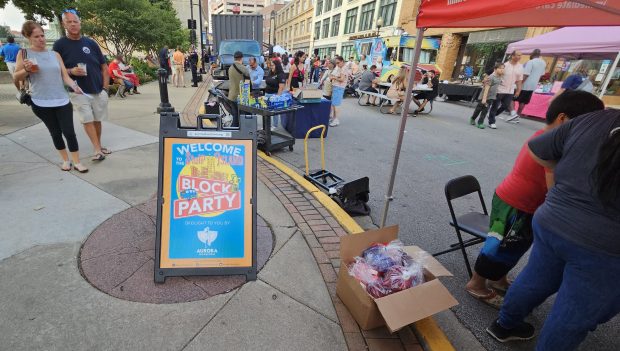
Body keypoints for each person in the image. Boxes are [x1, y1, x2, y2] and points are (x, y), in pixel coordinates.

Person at [486, 107, 620, 350]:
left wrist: (564, 181)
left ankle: (504, 325)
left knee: (536, 276)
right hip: (605, 245)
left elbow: (539, 149)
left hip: (553, 220)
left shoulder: (596, 118)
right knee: (574, 312)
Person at [464, 91, 605, 310]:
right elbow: (555, 191)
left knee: (515, 246)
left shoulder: (550, 139)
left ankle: (498, 279)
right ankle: (476, 283)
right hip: (515, 204)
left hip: (526, 205)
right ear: (563, 119)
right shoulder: (547, 144)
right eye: (585, 125)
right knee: (498, 246)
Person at [14, 21, 88, 173]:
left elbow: (64, 76)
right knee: (55, 133)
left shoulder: (55, 54)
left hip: (62, 99)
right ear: (28, 37)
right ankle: (65, 160)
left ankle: (77, 161)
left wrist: (74, 86)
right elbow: (16, 76)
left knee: (69, 132)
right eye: (36, 37)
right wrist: (26, 70)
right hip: (40, 101)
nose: (41, 39)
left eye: (42, 35)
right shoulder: (24, 54)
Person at [54, 9, 111, 162]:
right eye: (69, 22)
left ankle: (98, 145)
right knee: (87, 119)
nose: (73, 24)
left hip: (98, 89)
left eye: (75, 21)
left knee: (97, 119)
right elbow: (57, 70)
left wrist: (105, 89)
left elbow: (104, 67)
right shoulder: (59, 45)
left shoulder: (91, 43)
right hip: (78, 91)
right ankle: (98, 150)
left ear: (80, 23)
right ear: (63, 24)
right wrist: (71, 70)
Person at [488, 51, 524, 128]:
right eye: (518, 55)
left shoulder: (520, 67)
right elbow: (495, 74)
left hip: (510, 90)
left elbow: (519, 80)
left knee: (506, 105)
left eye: (520, 55)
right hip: (500, 88)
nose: (519, 57)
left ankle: (492, 115)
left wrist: (518, 90)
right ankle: (492, 122)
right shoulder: (505, 65)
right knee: (495, 105)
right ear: (512, 56)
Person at [470, 63, 504, 129]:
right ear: (495, 69)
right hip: (484, 97)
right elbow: (486, 88)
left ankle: (480, 123)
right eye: (500, 68)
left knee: (485, 111)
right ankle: (473, 118)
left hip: (491, 97)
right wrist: (484, 99)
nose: (502, 70)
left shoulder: (499, 77)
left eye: (503, 68)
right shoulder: (491, 77)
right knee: (478, 109)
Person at [516, 49, 546, 118]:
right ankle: (518, 115)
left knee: (513, 98)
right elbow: (542, 74)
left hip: (525, 84)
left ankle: (513, 113)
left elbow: (526, 74)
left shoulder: (531, 62)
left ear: (532, 54)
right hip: (533, 85)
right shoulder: (543, 63)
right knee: (523, 101)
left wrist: (520, 83)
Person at [265, 60, 287, 129]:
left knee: (275, 112)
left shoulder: (281, 74)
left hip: (274, 95)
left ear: (277, 66)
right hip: (267, 94)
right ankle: (267, 125)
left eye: (273, 65)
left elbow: (281, 87)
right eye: (271, 65)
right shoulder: (271, 72)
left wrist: (277, 97)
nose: (271, 67)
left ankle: (275, 125)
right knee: (267, 111)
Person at [329, 56, 348, 127]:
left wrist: (334, 77)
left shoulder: (344, 68)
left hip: (339, 87)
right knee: (334, 104)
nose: (337, 64)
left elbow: (342, 79)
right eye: (336, 63)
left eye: (338, 63)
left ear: (342, 61)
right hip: (336, 87)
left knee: (336, 104)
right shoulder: (340, 67)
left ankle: (336, 119)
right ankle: (334, 118)